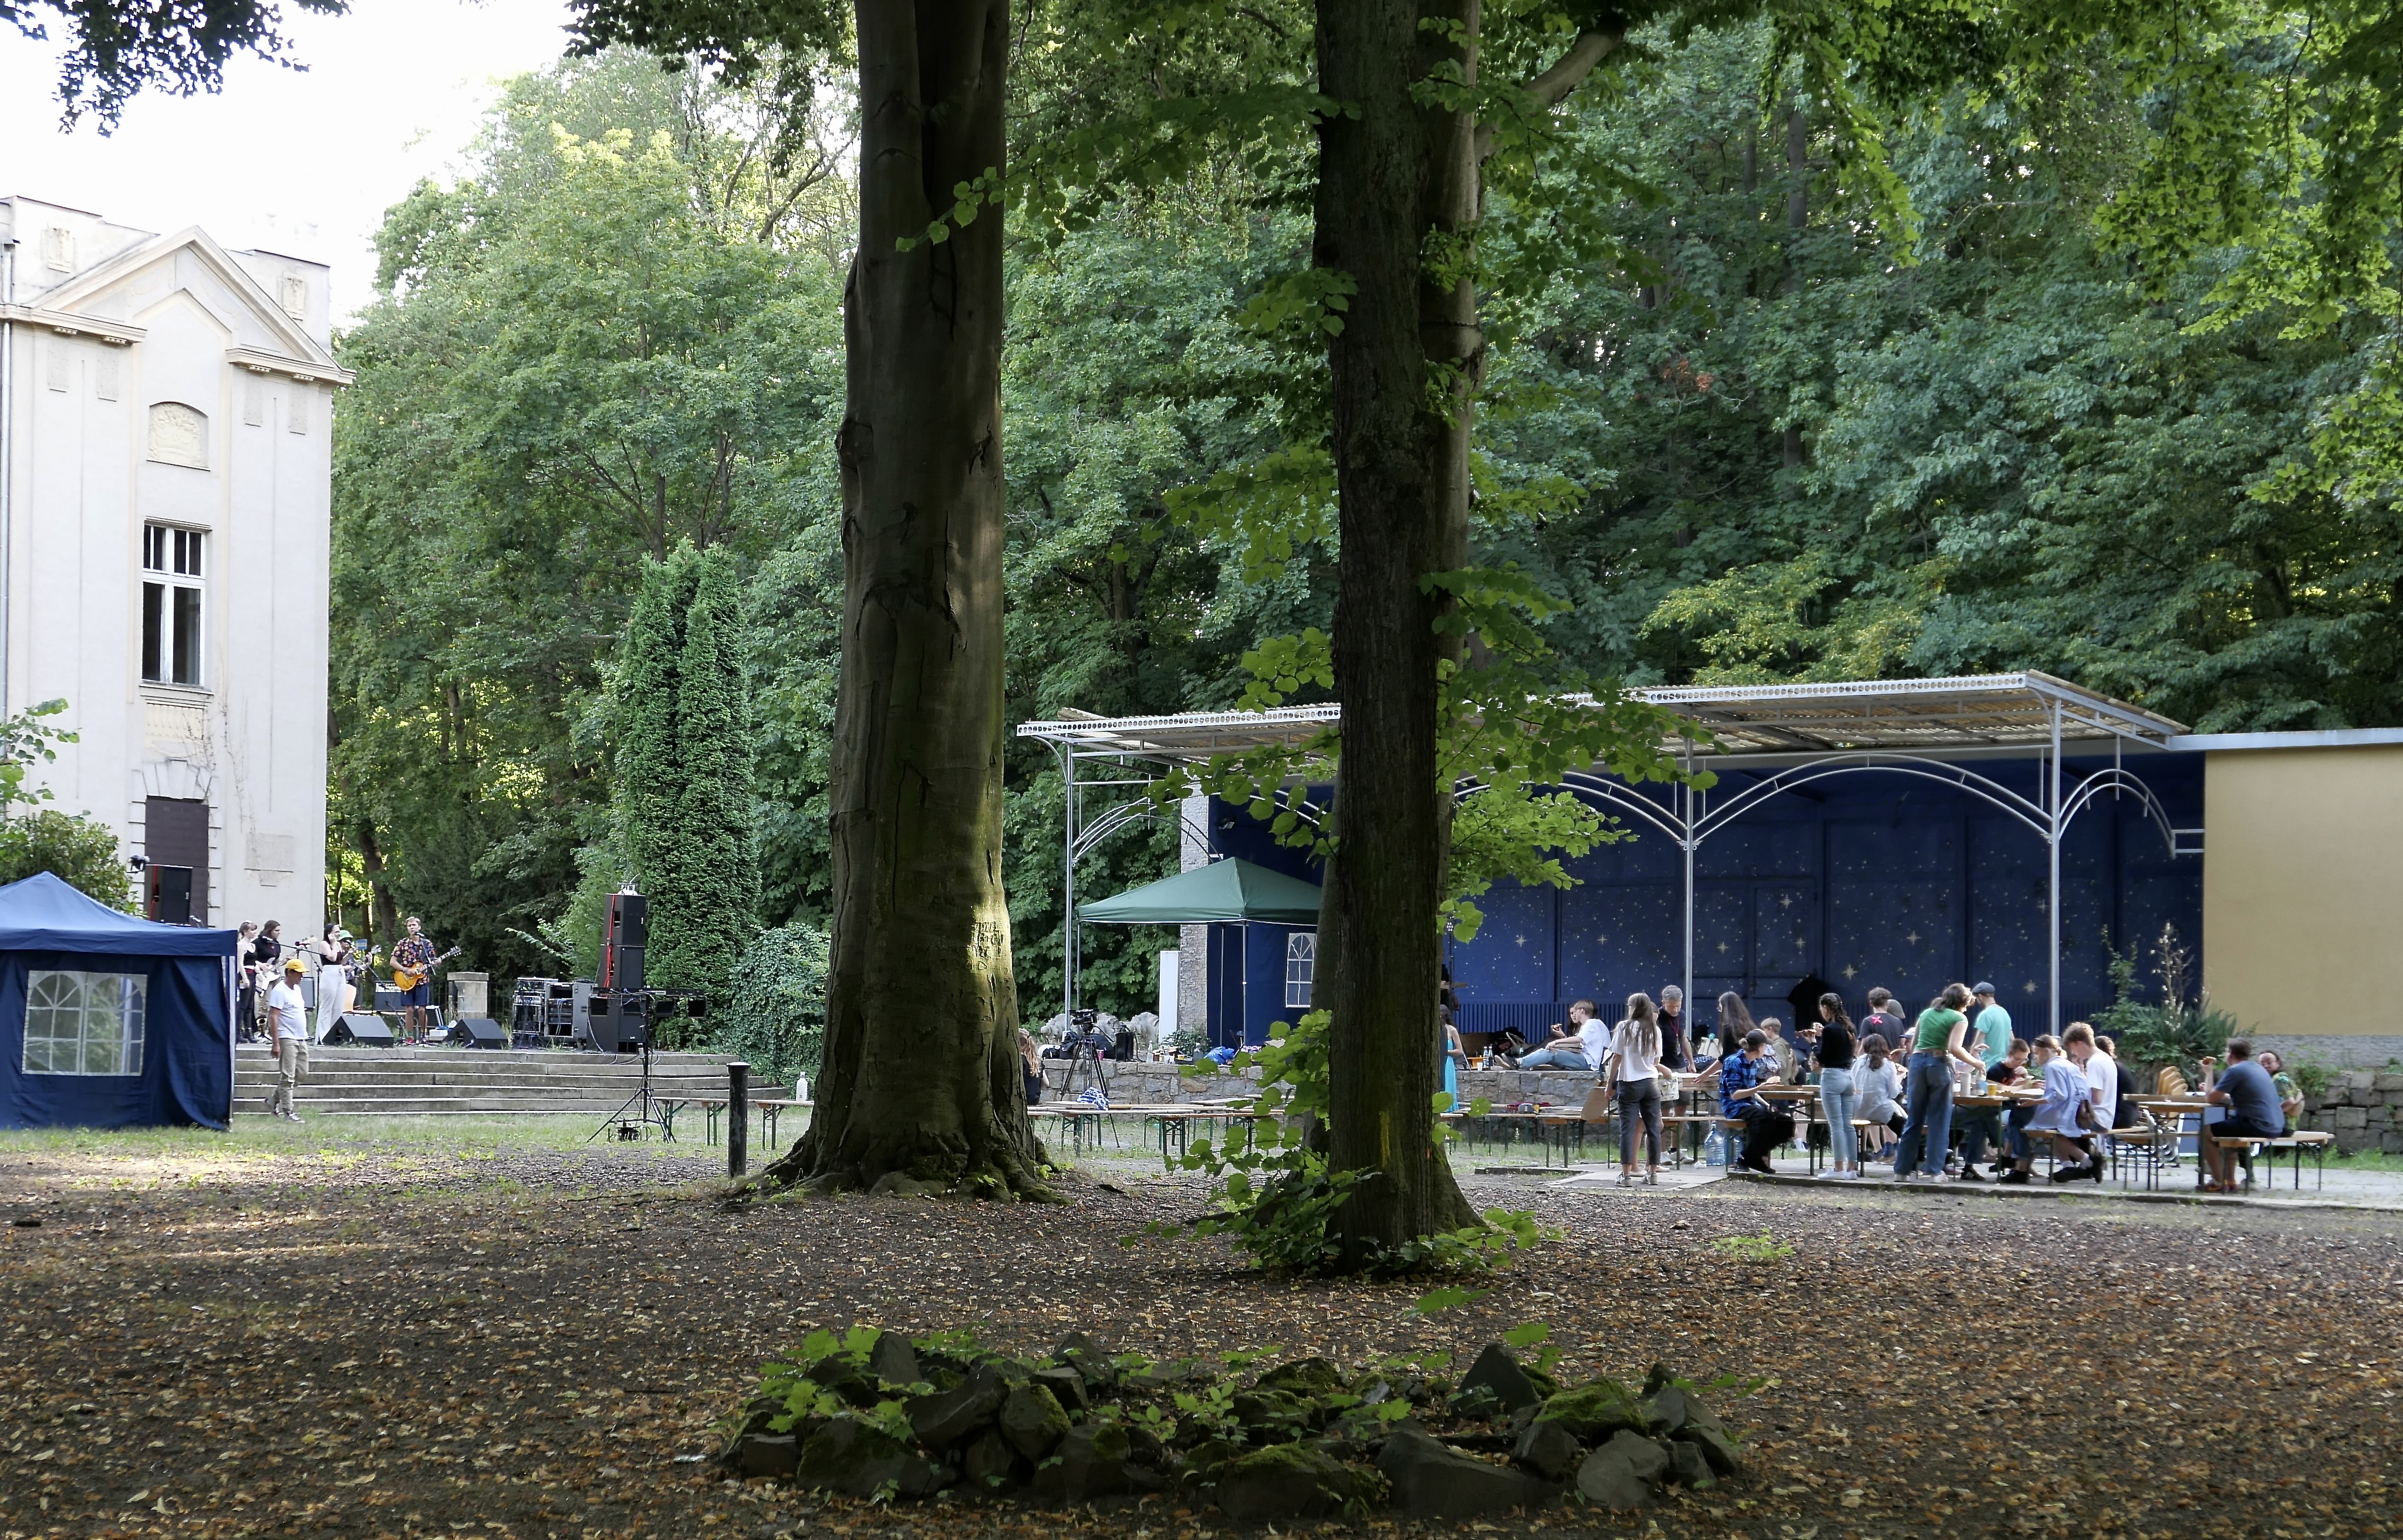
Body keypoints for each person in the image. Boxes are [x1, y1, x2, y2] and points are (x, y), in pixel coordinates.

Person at [1894, 982, 1977, 1182]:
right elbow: (1955, 1048)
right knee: (1938, 1120)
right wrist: (1977, 1062)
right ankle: (1933, 1171)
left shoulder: (1927, 1013)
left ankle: (1902, 1172)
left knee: (1914, 1119)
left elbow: (1913, 1046)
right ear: (1962, 1002)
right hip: (1939, 1063)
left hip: (1917, 1064)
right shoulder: (1959, 1018)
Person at [1999, 1035, 2090, 1184]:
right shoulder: (2065, 1064)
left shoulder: (2052, 1066)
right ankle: (2013, 1162)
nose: (2035, 1057)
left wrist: (2034, 1102)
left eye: (2037, 1053)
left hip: (2062, 1114)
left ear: (2047, 1051)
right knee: (2019, 1118)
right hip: (2075, 1112)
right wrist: (2047, 1086)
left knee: (2019, 1119)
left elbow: (2060, 1095)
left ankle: (2017, 1166)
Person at [2198, 1041, 2286, 1192]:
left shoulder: (2235, 1070)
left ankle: (2218, 1182)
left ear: (2230, 1054)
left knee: (2205, 1132)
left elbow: (2211, 1098)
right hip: (2276, 1124)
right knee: (2229, 1132)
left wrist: (2208, 1072)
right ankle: (2230, 1180)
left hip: (2256, 1124)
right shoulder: (2258, 1069)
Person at [1604, 992, 1665, 1186]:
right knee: (1653, 1128)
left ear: (1633, 1008)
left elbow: (1617, 1058)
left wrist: (1609, 1084)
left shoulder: (1624, 1027)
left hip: (1629, 1083)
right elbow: (1656, 1061)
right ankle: (1653, 1173)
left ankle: (1626, 1175)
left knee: (1628, 1129)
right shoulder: (1655, 1030)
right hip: (1651, 1084)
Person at [1718, 1028, 1793, 1173]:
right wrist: (1761, 1087)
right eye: (1765, 1046)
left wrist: (1767, 1104)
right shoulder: (1734, 1062)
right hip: (1734, 1107)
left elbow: (1752, 1090)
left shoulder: (1753, 1062)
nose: (1767, 1049)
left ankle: (1751, 1156)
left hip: (1750, 1104)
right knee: (1764, 1119)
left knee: (1786, 1123)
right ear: (1759, 1048)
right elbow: (1735, 1095)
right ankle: (1752, 1157)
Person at [1814, 992, 1862, 1180]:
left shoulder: (1830, 1029)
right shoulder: (1850, 1027)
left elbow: (1824, 1058)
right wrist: (1822, 1034)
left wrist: (1813, 1043)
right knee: (1848, 1125)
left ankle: (1838, 1168)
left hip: (1832, 1077)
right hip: (1849, 1077)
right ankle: (1851, 1168)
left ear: (1826, 1008)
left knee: (1836, 1125)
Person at [267, 957, 311, 1120]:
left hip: (301, 1037)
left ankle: (273, 1100)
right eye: (299, 973)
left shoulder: (297, 990)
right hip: (287, 1037)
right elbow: (274, 1016)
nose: (301, 977)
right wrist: (276, 1042)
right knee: (288, 1076)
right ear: (290, 972)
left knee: (302, 1073)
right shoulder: (279, 990)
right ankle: (287, 1110)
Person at [1854, 1032, 1905, 1160]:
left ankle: (1857, 1155)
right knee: (1906, 1126)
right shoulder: (1888, 1065)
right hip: (1881, 1111)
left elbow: (1853, 1084)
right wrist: (1899, 1080)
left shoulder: (1858, 1062)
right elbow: (1894, 1094)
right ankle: (1910, 1158)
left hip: (1857, 1110)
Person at [391, 916, 440, 1042]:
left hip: (422, 980)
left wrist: (437, 962)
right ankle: (410, 1037)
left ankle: (424, 1036)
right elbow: (393, 962)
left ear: (419, 927)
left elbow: (432, 960)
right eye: (409, 926)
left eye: (414, 925)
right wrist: (406, 970)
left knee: (422, 1009)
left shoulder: (426, 944)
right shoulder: (403, 943)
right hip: (407, 979)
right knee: (409, 1009)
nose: (412, 928)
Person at [1521, 999, 1602, 1071]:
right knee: (1548, 1053)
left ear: (1582, 1011)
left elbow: (1578, 1040)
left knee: (1550, 1053)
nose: (1574, 1014)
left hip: (1587, 1061)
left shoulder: (1592, 1023)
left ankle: (1521, 1063)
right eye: (1571, 1013)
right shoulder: (1590, 1024)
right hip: (1586, 1060)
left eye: (1575, 1011)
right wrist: (1562, 1036)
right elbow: (1577, 1045)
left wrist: (1556, 1042)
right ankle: (1524, 1063)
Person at [309, 926, 354, 1045]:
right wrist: (334, 943)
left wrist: (348, 954)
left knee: (338, 1006)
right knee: (327, 1005)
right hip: (329, 972)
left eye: (339, 932)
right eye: (336, 932)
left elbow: (340, 961)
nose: (338, 934)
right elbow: (332, 957)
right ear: (330, 933)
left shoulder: (338, 945)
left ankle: (334, 1035)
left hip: (339, 971)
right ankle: (322, 1036)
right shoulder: (324, 944)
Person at [2259, 1049, 2306, 1133]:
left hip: (2281, 1127)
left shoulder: (2279, 1079)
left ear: (2278, 1064)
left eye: (2269, 1062)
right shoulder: (2271, 1080)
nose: (2265, 1066)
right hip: (2285, 1127)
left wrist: (2269, 1115)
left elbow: (2290, 1102)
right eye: (2262, 1064)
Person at [1657, 986, 1690, 1073]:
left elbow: (1683, 1038)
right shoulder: (1656, 1017)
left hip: (1680, 1064)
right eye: (1671, 1006)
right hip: (1663, 1065)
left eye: (1678, 1006)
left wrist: (1691, 1062)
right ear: (1663, 1003)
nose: (1675, 1010)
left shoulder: (1682, 1015)